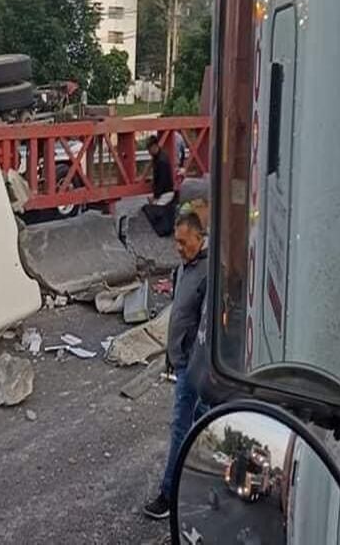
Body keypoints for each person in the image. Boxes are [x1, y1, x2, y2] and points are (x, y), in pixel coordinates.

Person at [144, 212, 209, 520]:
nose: (179, 248)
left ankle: (169, 495)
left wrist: (191, 365)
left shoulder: (208, 272)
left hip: (193, 369)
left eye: (184, 242)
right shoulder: (186, 267)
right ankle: (199, 485)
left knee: (181, 429)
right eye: (176, 242)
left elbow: (207, 327)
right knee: (196, 426)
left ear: (199, 237)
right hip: (181, 363)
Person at [141, 137, 178, 237]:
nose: (149, 152)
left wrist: (156, 196)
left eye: (149, 149)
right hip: (166, 191)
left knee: (155, 210)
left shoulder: (161, 160)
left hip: (166, 193)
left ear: (154, 146)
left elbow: (162, 181)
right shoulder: (161, 157)